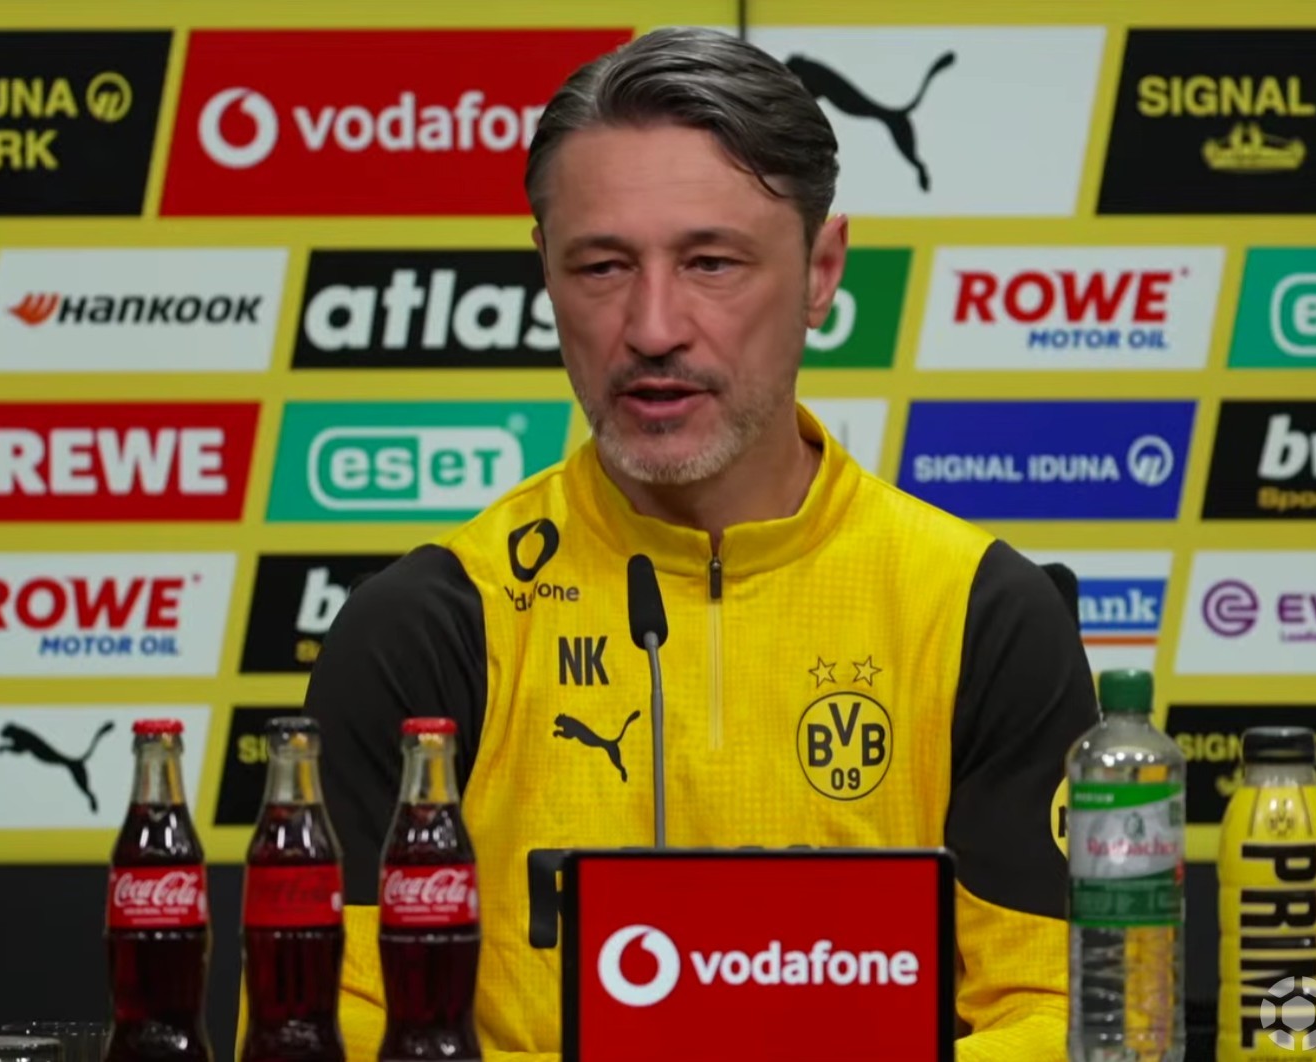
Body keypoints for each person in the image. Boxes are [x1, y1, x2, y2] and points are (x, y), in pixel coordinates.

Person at [302, 25, 1097, 1061]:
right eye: (601, 266)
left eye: (711, 263)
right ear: (544, 272)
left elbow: (1060, 1015)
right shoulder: (424, 630)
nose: (652, 327)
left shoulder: (981, 615)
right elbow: (324, 1029)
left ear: (820, 270)